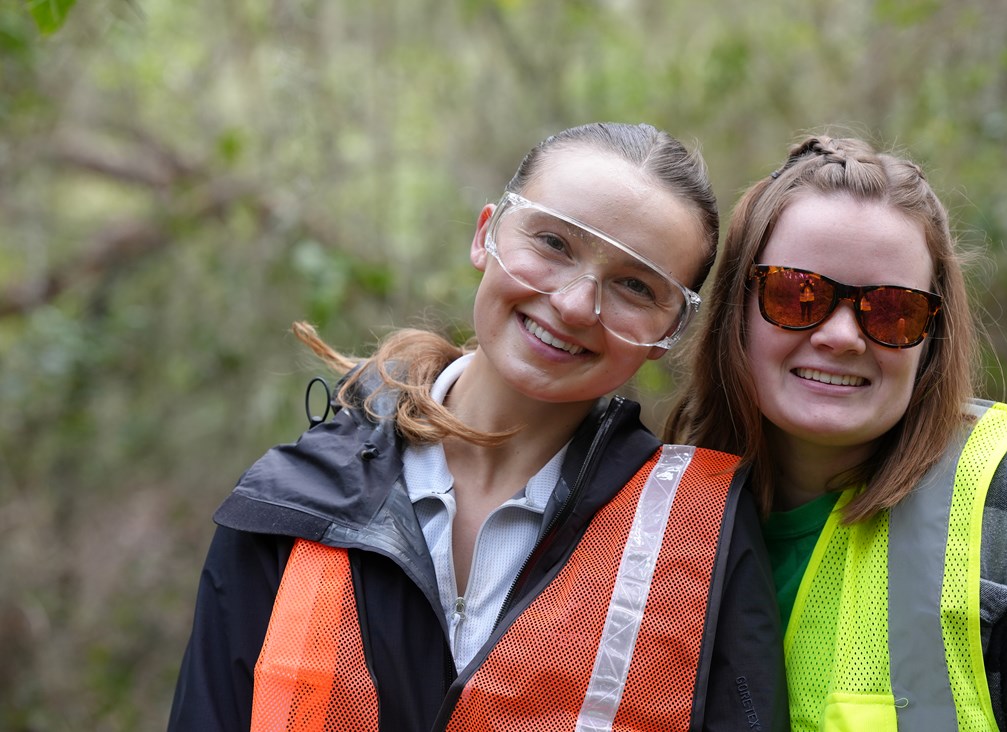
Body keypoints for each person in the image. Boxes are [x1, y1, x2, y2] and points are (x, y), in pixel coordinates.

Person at [169, 122, 787, 731]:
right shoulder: (291, 501)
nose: (574, 305)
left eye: (634, 285)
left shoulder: (701, 536)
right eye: (553, 244)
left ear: (667, 332)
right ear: (486, 233)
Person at [664, 134, 1007, 731]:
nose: (842, 336)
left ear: (931, 338)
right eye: (796, 293)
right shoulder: (649, 517)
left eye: (891, 310)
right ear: (734, 312)